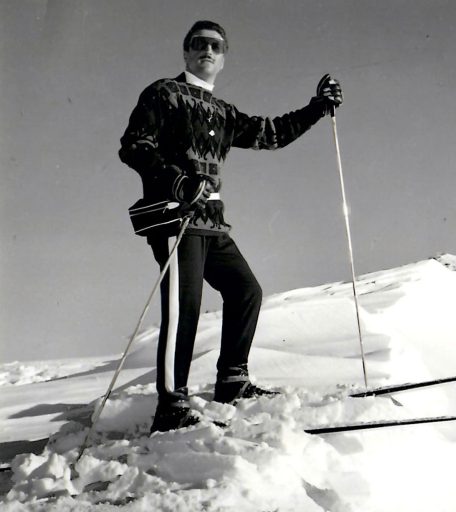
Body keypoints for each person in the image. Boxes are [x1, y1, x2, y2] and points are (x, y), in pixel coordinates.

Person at [118, 20, 342, 432]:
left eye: (216, 46)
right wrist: (176, 180)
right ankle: (171, 406)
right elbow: (134, 146)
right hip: (175, 217)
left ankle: (232, 382)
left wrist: (317, 107)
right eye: (199, 44)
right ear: (185, 52)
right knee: (183, 306)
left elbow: (272, 134)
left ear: (223, 59)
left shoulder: (223, 112)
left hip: (212, 224)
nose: (207, 50)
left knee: (245, 291)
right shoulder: (163, 93)